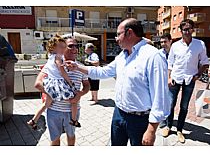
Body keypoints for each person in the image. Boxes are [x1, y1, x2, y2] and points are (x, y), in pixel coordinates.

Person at [67, 18, 171, 146]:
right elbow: (104, 72)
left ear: (129, 33)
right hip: (119, 114)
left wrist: (151, 130)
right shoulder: (123, 55)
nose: (116, 38)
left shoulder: (153, 56)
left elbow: (160, 96)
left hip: (140, 120)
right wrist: (77, 67)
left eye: (118, 34)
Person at [34, 37, 90, 146]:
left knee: (71, 136)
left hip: (72, 111)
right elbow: (38, 84)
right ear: (62, 48)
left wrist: (81, 94)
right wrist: (54, 93)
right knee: (55, 139)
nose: (74, 48)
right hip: (54, 110)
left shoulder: (81, 67)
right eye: (70, 46)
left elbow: (87, 86)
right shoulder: (51, 65)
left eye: (76, 46)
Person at [161, 19, 209, 143]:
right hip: (175, 79)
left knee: (184, 107)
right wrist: (169, 77)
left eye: (189, 29)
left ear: (193, 29)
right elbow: (170, 63)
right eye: (184, 29)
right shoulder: (175, 46)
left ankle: (179, 130)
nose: (186, 32)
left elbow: (205, 62)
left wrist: (197, 75)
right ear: (181, 31)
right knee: (170, 104)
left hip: (190, 80)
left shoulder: (200, 44)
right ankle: (168, 126)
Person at [27, 34, 81, 128]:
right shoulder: (58, 57)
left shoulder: (50, 58)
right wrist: (70, 82)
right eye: (61, 47)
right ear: (53, 48)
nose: (64, 49)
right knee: (74, 100)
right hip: (58, 84)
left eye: (64, 46)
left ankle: (34, 120)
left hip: (50, 84)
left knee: (46, 104)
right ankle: (74, 120)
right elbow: (62, 72)